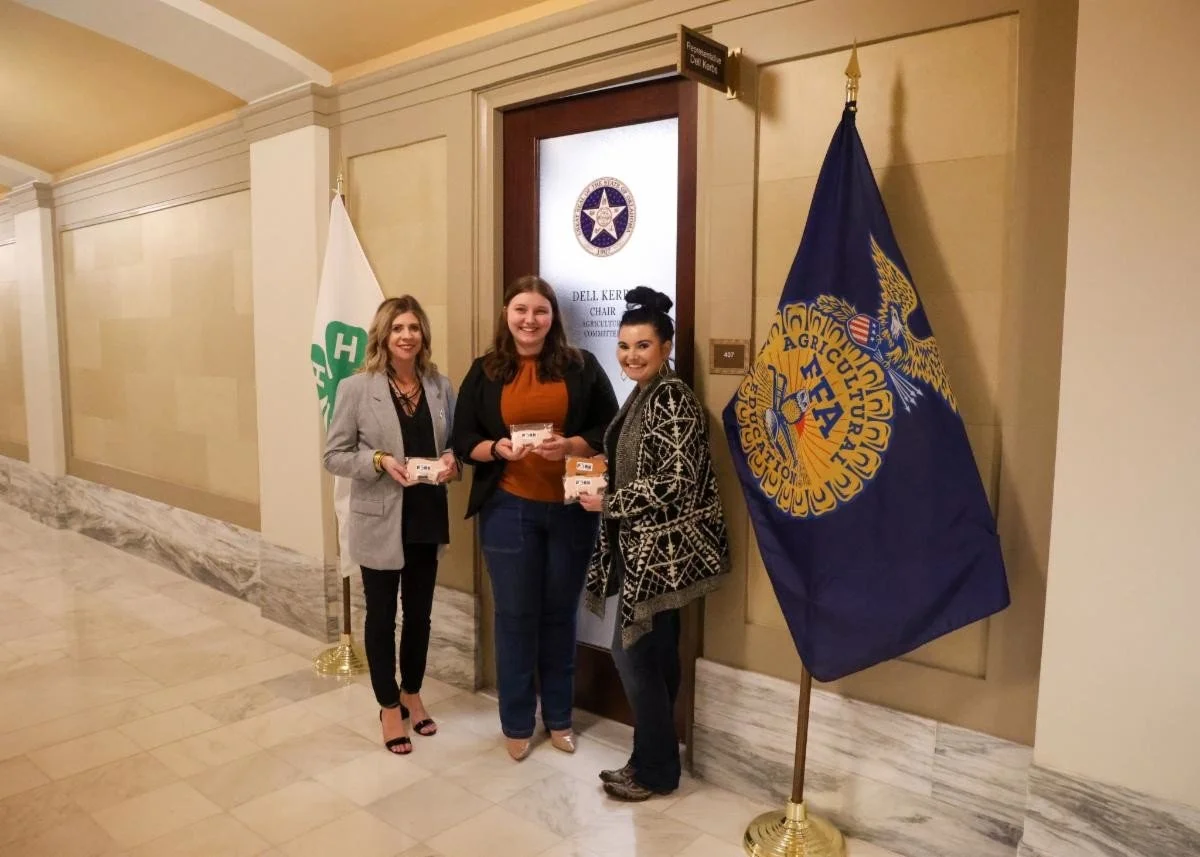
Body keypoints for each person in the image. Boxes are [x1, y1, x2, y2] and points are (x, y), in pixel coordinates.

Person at [453, 275, 618, 761]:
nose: (530, 320)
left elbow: (610, 427)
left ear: (553, 318)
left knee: (560, 616)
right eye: (521, 310)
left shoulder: (581, 366)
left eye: (540, 311)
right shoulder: (484, 371)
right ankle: (517, 721)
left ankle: (560, 718)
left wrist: (571, 445)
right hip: (508, 509)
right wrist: (496, 448)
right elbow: (462, 439)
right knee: (515, 617)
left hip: (571, 510)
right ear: (506, 314)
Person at [578, 286, 731, 800]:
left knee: (633, 656)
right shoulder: (647, 392)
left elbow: (678, 481)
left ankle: (655, 770)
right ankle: (651, 762)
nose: (631, 355)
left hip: (661, 556)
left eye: (642, 345)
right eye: (624, 346)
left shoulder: (671, 397)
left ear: (665, 347)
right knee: (656, 659)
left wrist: (611, 500)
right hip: (647, 550)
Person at [323, 296, 458, 755]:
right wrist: (379, 460)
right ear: (383, 334)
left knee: (419, 616)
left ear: (423, 334)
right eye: (398, 328)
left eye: (414, 327)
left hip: (427, 516)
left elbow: (453, 445)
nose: (407, 336)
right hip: (380, 520)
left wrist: (451, 461)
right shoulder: (357, 388)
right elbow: (334, 455)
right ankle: (387, 706)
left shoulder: (439, 385)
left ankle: (412, 694)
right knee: (382, 617)